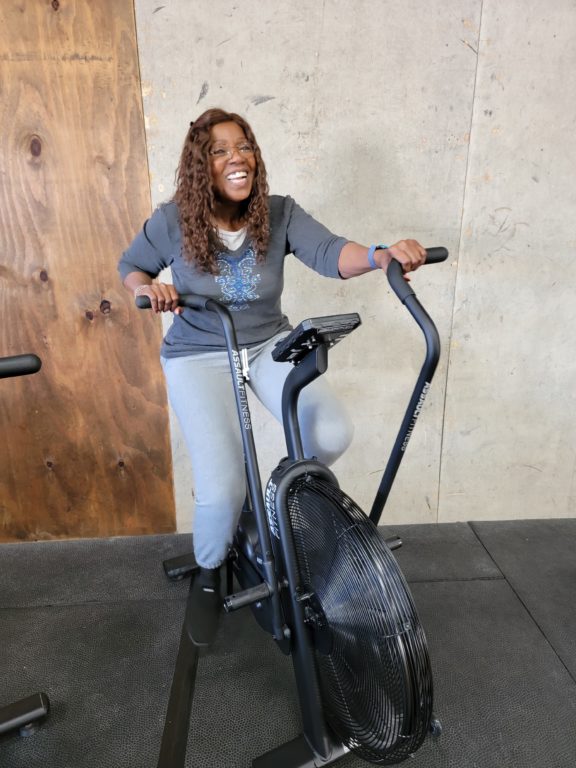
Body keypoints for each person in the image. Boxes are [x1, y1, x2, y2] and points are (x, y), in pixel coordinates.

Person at [118, 107, 426, 645]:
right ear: (201, 166)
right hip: (199, 351)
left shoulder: (279, 214)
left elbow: (332, 253)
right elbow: (132, 267)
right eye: (220, 150)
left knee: (329, 432)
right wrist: (148, 289)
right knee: (219, 489)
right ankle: (210, 575)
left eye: (244, 146)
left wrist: (381, 255)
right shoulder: (173, 221)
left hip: (265, 344)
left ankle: (270, 508)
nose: (237, 157)